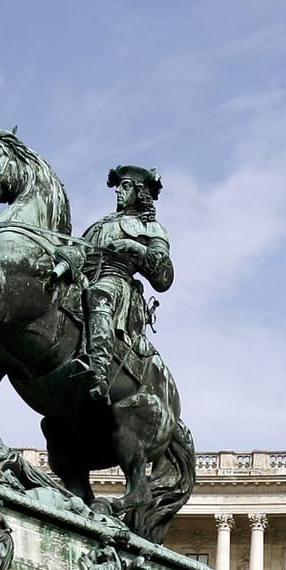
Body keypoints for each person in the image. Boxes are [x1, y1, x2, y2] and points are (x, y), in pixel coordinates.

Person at [71, 164, 174, 404]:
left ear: (139, 192)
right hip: (84, 278)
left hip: (118, 282)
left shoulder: (151, 228)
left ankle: (98, 369)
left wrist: (134, 248)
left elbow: (164, 276)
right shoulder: (100, 225)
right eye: (118, 187)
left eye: (125, 186)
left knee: (99, 294)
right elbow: (79, 252)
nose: (118, 191)